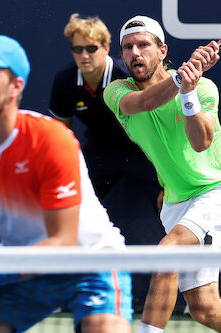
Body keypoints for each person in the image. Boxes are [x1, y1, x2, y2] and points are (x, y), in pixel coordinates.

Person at [103, 16, 221, 333]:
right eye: (128, 47)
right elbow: (144, 102)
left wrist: (188, 92)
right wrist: (179, 80)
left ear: (162, 50)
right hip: (178, 201)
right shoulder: (117, 92)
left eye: (144, 45)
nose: (135, 53)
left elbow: (201, 141)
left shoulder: (204, 88)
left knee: (167, 253)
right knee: (205, 309)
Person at [0, 35, 132, 333]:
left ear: (16, 87)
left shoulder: (51, 141)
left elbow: (63, 243)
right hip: (20, 268)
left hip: (91, 260)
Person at [49, 13, 159, 205]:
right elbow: (61, 134)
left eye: (91, 48)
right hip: (99, 151)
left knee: (167, 202)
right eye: (77, 49)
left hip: (141, 149)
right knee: (75, 202)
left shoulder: (126, 75)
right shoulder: (63, 80)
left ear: (106, 48)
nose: (84, 55)